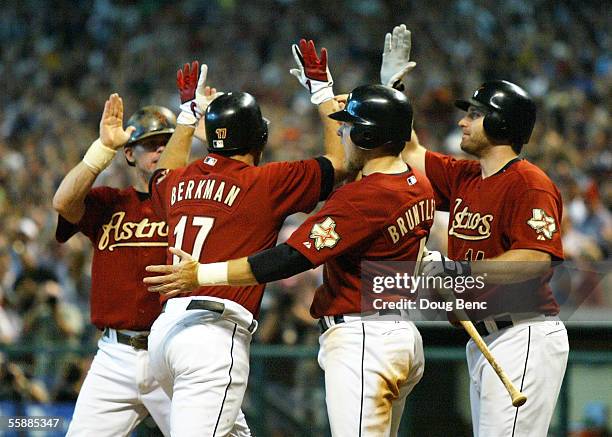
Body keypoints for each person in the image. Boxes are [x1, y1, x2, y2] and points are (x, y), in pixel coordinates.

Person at [145, 83, 435, 437]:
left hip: (363, 341)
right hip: (401, 333)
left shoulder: (359, 199)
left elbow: (288, 259)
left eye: (348, 126)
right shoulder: (419, 184)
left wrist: (202, 273)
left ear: (366, 135)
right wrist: (332, 93)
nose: (341, 131)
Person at [142, 45, 344, 436]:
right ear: (259, 136)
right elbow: (341, 163)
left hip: (166, 333)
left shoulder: (182, 178)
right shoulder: (265, 182)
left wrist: (187, 115)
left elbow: (161, 174)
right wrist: (321, 92)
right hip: (213, 335)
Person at [383, 25, 570, 437]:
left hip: (523, 332)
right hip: (483, 337)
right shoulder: (466, 176)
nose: (464, 123)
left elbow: (535, 261)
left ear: (499, 123)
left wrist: (456, 272)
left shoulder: (529, 182)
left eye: (474, 114)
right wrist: (394, 91)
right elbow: (410, 152)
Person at [52, 95, 251, 436]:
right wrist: (102, 148)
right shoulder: (110, 203)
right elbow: (63, 202)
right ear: (129, 153)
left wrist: (212, 137)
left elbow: (246, 190)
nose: (160, 151)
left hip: (177, 349)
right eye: (149, 145)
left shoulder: (198, 202)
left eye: (167, 142)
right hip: (116, 354)